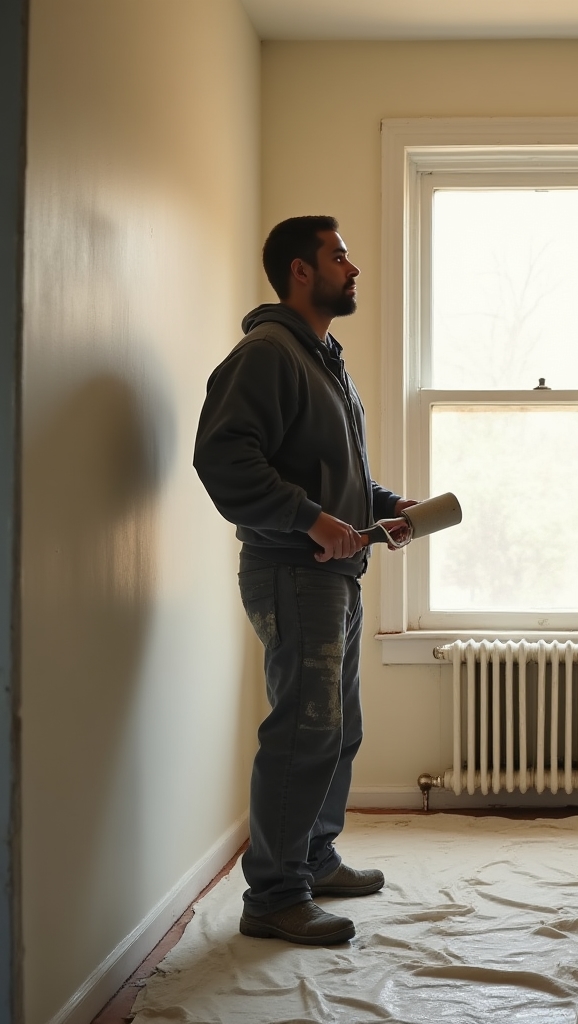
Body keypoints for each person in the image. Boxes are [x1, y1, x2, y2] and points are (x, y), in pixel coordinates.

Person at [194, 216, 416, 946]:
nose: (353, 268)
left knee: (336, 729)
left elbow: (331, 474)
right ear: (300, 270)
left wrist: (386, 506)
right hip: (293, 572)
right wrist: (312, 521)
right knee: (303, 731)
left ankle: (313, 859)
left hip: (334, 574)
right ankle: (275, 897)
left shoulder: (323, 359)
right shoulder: (267, 354)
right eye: (339, 256)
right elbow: (224, 460)